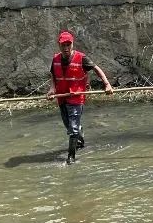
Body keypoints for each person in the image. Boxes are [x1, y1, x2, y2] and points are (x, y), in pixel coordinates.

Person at [47, 30, 113, 164]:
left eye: (68, 45)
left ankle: (71, 157)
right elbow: (53, 75)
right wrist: (52, 89)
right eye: (63, 45)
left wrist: (107, 84)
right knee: (69, 126)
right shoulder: (55, 59)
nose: (66, 48)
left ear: (72, 44)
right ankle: (80, 137)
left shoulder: (81, 58)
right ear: (59, 45)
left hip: (76, 97)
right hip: (62, 97)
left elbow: (96, 68)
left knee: (72, 129)